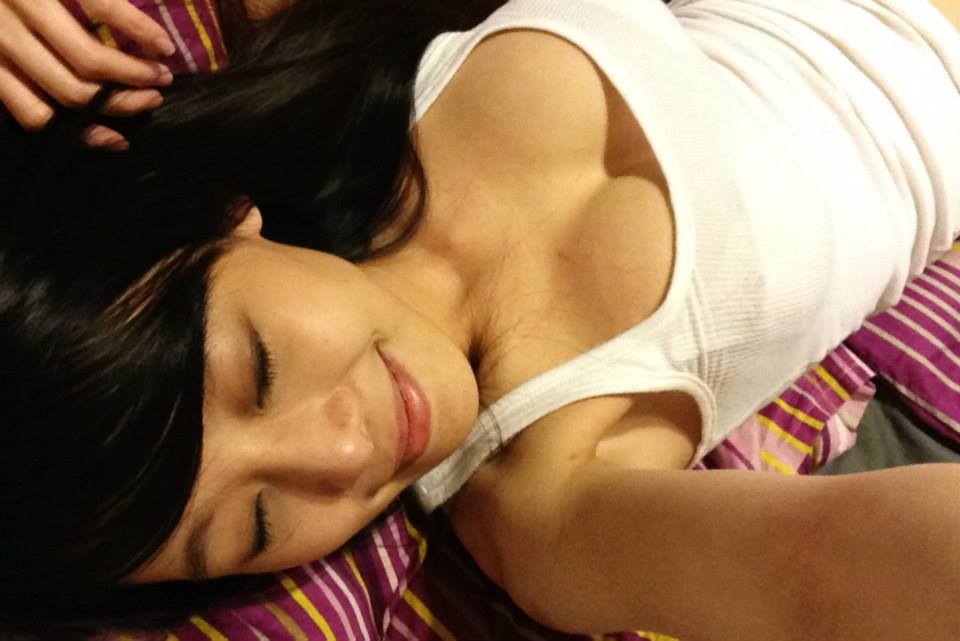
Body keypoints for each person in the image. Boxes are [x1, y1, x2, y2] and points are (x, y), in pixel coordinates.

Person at [1, 0, 959, 640]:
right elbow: (821, 569)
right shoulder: (545, 504)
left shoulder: (357, 79)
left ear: (217, 222)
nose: (342, 455)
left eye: (261, 370)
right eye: (256, 522)